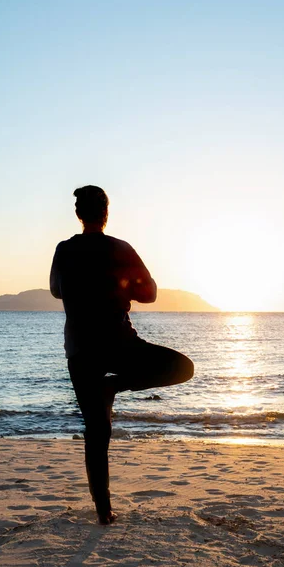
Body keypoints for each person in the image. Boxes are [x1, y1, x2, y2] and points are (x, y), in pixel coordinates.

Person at [50, 185, 194, 524]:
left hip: (81, 349)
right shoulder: (120, 248)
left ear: (78, 214)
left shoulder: (64, 249)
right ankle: (115, 386)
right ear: (106, 213)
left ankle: (104, 512)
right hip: (119, 345)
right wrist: (124, 283)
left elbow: (57, 290)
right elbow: (151, 294)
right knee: (182, 368)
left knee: (96, 430)